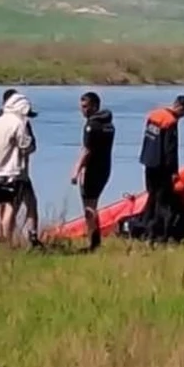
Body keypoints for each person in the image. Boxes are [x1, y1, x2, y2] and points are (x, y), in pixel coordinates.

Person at [0, 90, 40, 246]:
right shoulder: (18, 123)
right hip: (12, 173)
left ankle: (0, 241)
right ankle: (7, 243)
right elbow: (25, 146)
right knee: (10, 209)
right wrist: (30, 146)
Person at [136, 94, 184, 243]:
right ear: (179, 107)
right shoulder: (170, 121)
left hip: (148, 162)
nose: (182, 117)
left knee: (151, 197)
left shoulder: (154, 114)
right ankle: (159, 234)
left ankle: (145, 230)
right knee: (162, 202)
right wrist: (173, 172)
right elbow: (170, 150)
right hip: (162, 168)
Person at [69, 91, 115, 252]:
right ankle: (95, 241)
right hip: (105, 168)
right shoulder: (108, 124)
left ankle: (93, 243)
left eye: (86, 107)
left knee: (89, 207)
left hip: (93, 169)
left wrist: (76, 170)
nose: (83, 110)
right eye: (82, 107)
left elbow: (87, 150)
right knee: (93, 205)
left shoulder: (92, 125)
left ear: (95, 106)